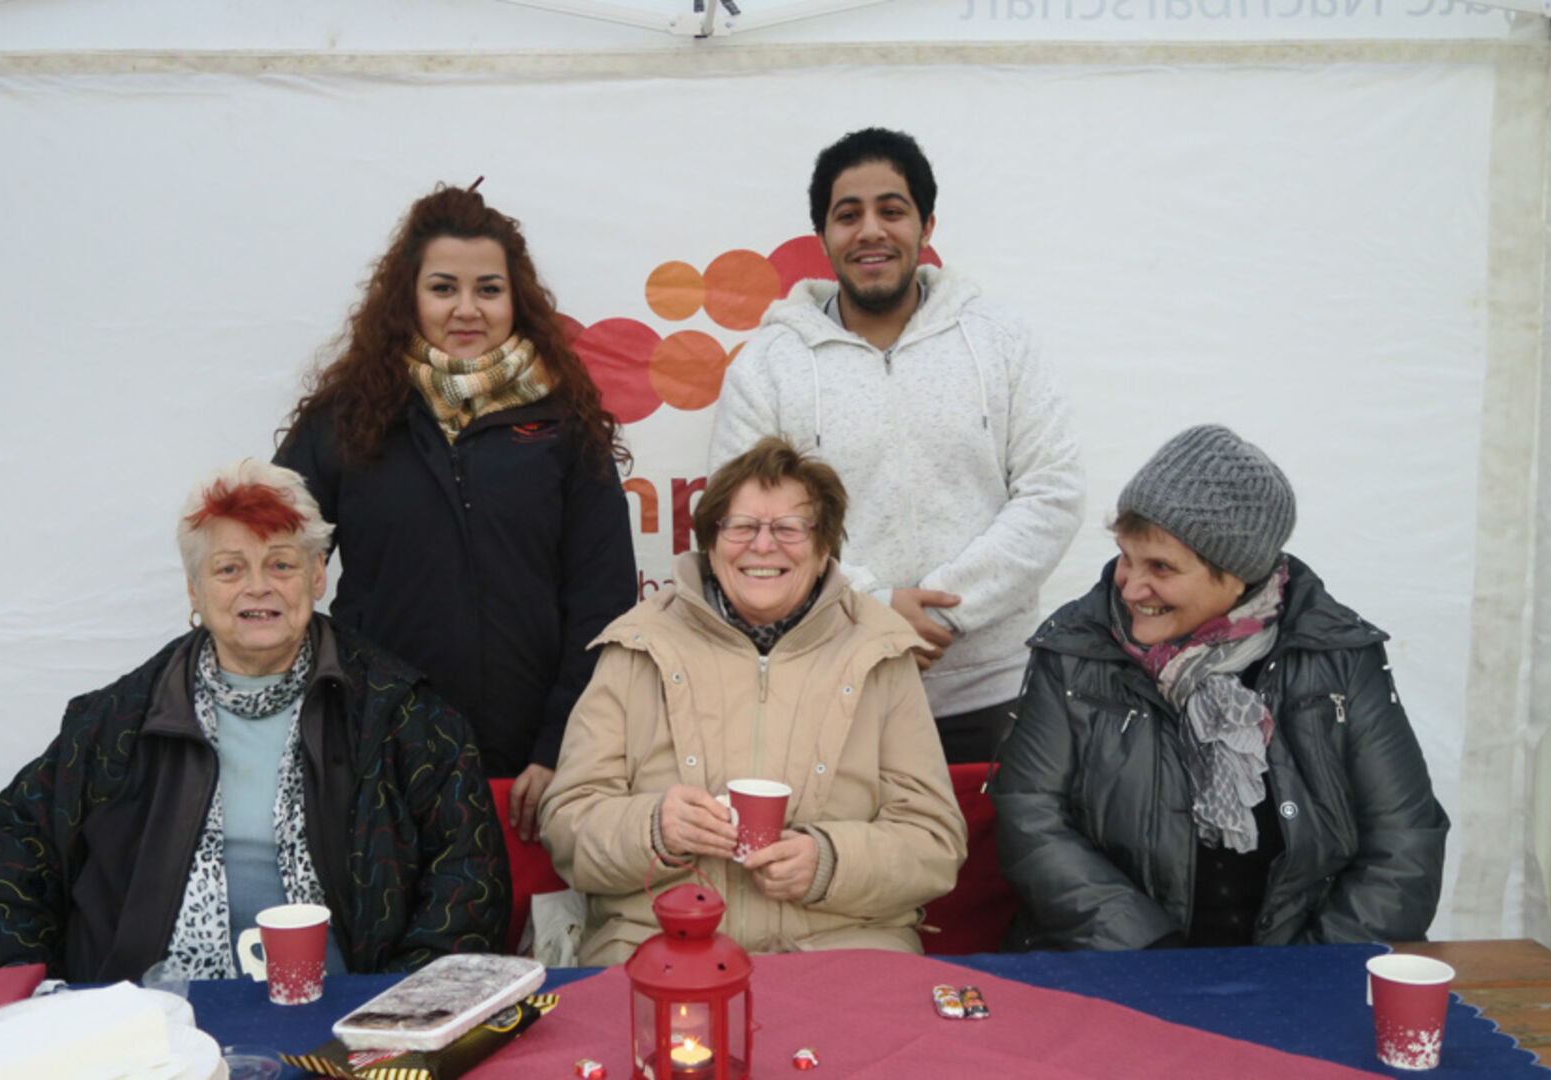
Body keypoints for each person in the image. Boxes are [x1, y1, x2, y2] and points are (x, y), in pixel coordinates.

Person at [0, 460, 508, 981]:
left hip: (349, 1019)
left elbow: (468, 877)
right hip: (156, 1020)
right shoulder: (117, 721)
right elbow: (13, 840)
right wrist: (29, 993)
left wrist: (393, 1010)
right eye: (229, 569)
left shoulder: (403, 715)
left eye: (281, 564)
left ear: (317, 576)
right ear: (195, 590)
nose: (258, 586)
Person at [995, 425, 1449, 950]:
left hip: (1302, 975)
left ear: (1238, 576)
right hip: (1118, 969)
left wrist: (1315, 969)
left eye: (1161, 567)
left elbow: (1403, 840)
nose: (1130, 586)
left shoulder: (1339, 659)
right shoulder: (1076, 650)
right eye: (1126, 556)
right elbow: (1032, 821)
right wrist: (1150, 953)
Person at [709, 127, 1083, 765]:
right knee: (846, 865)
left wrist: (948, 609)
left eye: (892, 210)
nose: (870, 231)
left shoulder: (1000, 340)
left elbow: (1053, 492)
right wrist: (876, 611)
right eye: (847, 215)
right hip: (832, 687)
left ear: (927, 224)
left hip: (990, 690)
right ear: (823, 237)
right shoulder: (768, 364)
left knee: (997, 866)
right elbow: (742, 529)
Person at [278, 184, 635, 841]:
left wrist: (561, 749)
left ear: (515, 299)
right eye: (444, 287)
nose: (467, 310)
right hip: (381, 761)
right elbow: (272, 575)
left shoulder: (564, 423)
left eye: (489, 290)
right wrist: (337, 722)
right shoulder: (346, 421)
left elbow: (603, 600)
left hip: (529, 773)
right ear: (408, 297)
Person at [541, 437, 967, 965]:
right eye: (741, 526)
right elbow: (567, 825)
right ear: (711, 542)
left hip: (844, 948)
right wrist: (654, 827)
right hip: (660, 943)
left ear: (823, 549)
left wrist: (830, 861)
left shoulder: (879, 650)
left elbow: (934, 841)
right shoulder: (637, 644)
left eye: (789, 528)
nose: (763, 546)